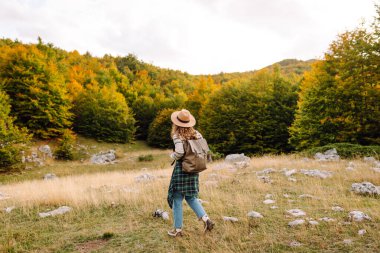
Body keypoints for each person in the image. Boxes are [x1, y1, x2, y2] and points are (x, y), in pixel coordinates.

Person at [167, 109, 214, 237]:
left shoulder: (177, 136)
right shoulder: (197, 134)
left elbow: (179, 153)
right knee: (191, 197)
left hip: (182, 169)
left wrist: (171, 156)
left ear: (176, 123)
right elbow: (203, 150)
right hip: (193, 169)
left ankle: (177, 230)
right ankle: (206, 220)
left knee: (177, 199)